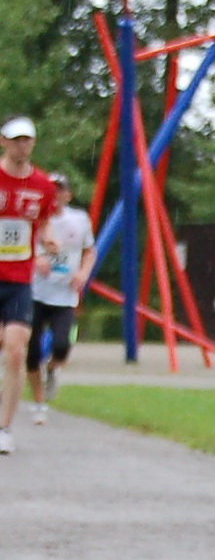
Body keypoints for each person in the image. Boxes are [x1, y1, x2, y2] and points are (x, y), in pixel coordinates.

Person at [0, 117, 57, 454]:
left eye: (28, 140)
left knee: (18, 349)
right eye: (16, 140)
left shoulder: (43, 185)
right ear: (3, 141)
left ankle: (4, 427)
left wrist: (47, 242)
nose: (23, 146)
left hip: (19, 281)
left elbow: (43, 224)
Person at [26, 172, 96, 424]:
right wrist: (36, 258)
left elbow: (90, 251)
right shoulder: (34, 217)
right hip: (34, 292)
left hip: (65, 295)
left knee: (61, 345)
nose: (55, 196)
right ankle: (38, 403)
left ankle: (53, 370)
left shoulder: (79, 220)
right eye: (51, 191)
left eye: (60, 191)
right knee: (31, 351)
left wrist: (83, 273)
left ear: (68, 195)